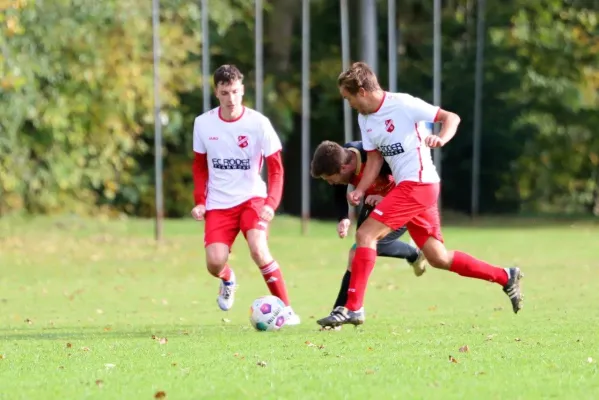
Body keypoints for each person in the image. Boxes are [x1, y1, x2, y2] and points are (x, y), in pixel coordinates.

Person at [317, 62, 524, 328]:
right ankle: (506, 276)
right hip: (412, 188)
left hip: (419, 184)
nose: (349, 104)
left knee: (365, 236)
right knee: (439, 258)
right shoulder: (365, 118)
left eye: (348, 98)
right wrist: (358, 189)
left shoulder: (403, 104)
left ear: (362, 91)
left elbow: (451, 117)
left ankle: (354, 308)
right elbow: (375, 160)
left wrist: (442, 138)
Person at [191, 64, 300, 325]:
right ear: (216, 92)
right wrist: (200, 202)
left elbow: (276, 170)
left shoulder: (259, 123)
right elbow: (199, 168)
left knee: (259, 250)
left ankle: (287, 309)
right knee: (214, 263)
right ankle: (228, 278)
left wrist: (271, 203)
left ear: (243, 90)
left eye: (236, 92)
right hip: (219, 203)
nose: (231, 99)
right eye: (225, 92)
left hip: (253, 198)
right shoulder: (203, 124)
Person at [310, 139, 427, 319]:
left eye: (330, 179)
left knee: (364, 249)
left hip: (403, 204)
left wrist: (385, 198)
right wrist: (343, 218)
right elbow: (339, 190)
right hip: (375, 205)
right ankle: (340, 313)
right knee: (358, 252)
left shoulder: (376, 156)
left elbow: (409, 178)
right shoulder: (342, 157)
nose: (331, 183)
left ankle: (412, 253)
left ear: (343, 168)